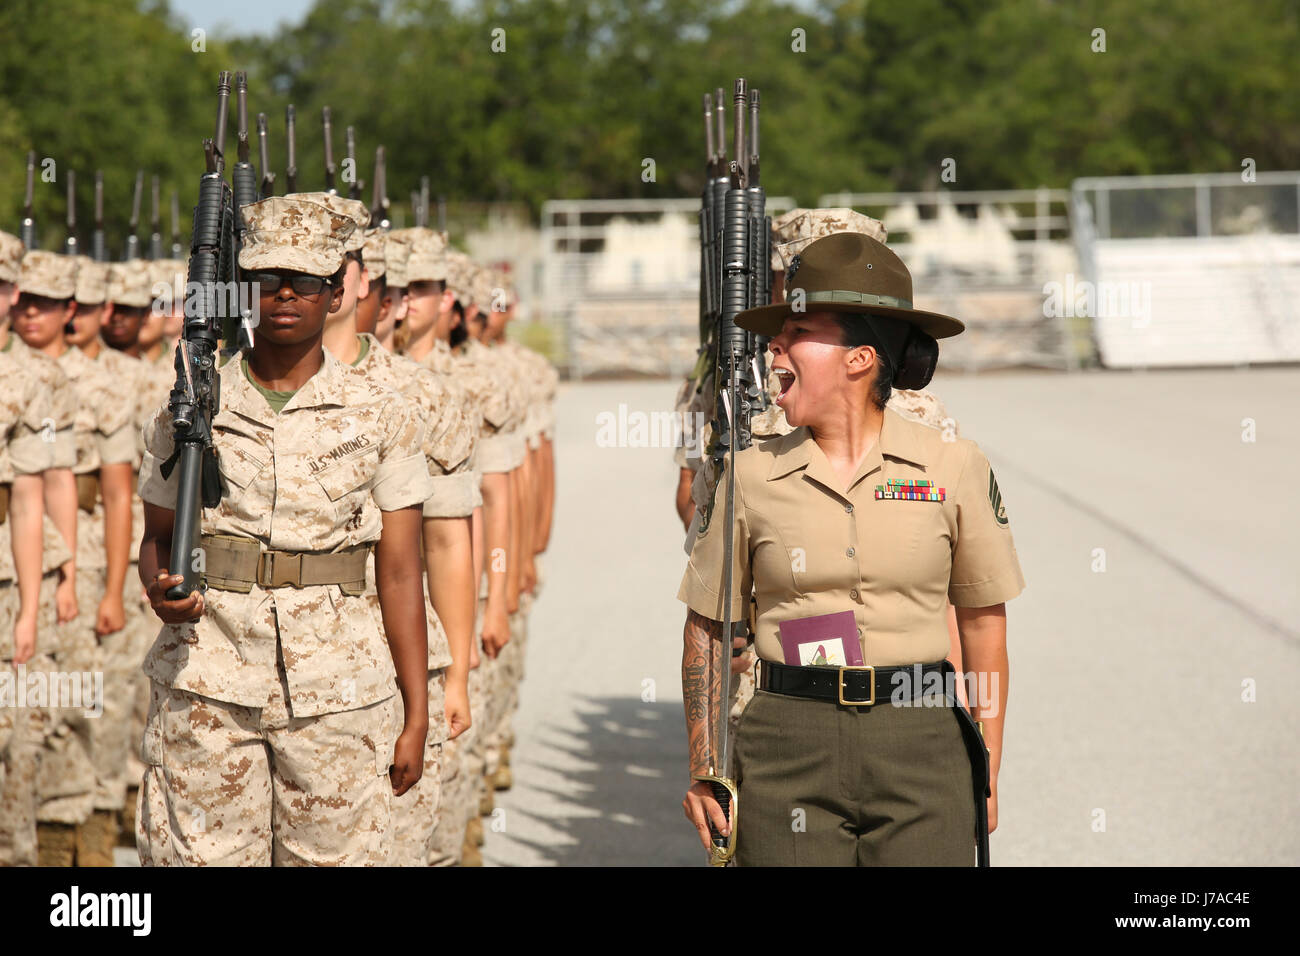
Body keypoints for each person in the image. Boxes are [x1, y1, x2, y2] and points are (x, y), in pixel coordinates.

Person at [679, 231, 1023, 866]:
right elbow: (704, 625)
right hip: (787, 742)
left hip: (921, 735)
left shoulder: (954, 466)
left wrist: (989, 764)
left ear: (860, 359)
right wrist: (706, 767)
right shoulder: (749, 475)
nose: (774, 346)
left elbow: (982, 624)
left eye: (797, 330)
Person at [135, 195, 433, 866]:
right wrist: (161, 587)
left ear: (335, 294)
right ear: (246, 290)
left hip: (340, 697)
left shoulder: (383, 413)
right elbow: (156, 536)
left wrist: (417, 712)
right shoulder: (192, 405)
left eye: (306, 281)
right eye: (268, 280)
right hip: (208, 680)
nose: (286, 294)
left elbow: (399, 570)